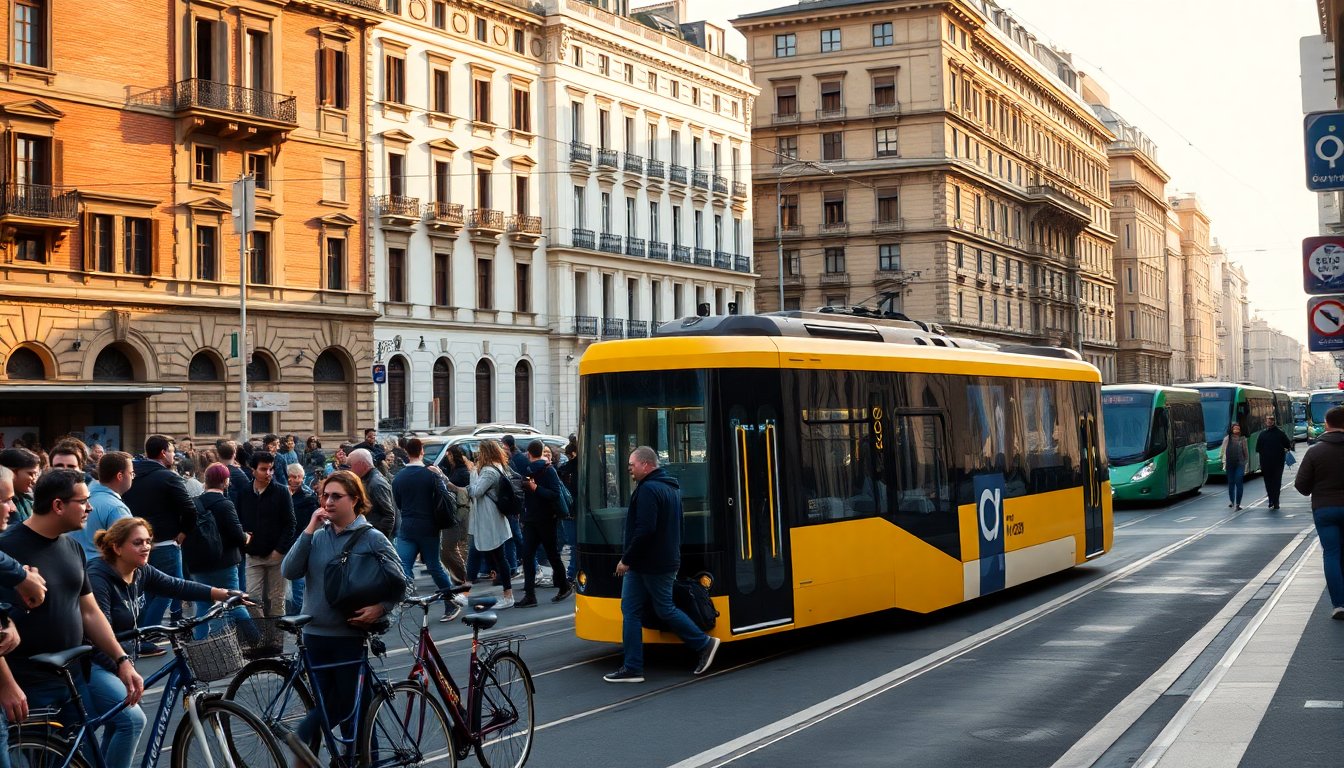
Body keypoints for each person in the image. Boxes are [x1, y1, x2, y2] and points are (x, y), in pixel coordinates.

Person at [0, 469, 145, 734]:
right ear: (58, 505)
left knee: (83, 757)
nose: (90, 508)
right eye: (83, 501)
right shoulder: (7, 550)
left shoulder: (73, 547)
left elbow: (89, 612)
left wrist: (121, 659)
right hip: (28, 683)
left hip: (73, 677)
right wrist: (6, 685)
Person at [88, 517, 235, 768]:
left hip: (123, 664)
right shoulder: (98, 576)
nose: (146, 547)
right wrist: (122, 668)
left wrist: (221, 594)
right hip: (95, 664)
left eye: (148, 541)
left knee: (118, 727)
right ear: (117, 547)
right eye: (138, 543)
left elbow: (175, 585)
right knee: (132, 721)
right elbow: (96, 633)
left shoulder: (140, 570)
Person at [281, 470, 409, 757]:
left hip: (348, 638)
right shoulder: (316, 536)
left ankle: (358, 758)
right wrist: (309, 528)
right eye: (324, 496)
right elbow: (288, 571)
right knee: (327, 708)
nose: (328, 502)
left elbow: (402, 583)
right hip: (314, 638)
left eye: (336, 496)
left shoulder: (372, 538)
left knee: (352, 714)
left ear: (355, 500)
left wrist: (381, 608)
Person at [604, 446, 719, 683]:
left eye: (632, 465)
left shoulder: (648, 490)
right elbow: (678, 527)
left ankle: (704, 643)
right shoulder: (671, 487)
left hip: (650, 563)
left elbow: (645, 529)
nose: (629, 470)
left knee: (660, 608)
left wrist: (627, 559)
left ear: (646, 465)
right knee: (633, 609)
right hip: (660, 560)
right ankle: (633, 667)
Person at [120, 435, 196, 626]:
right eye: (171, 451)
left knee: (148, 592)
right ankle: (147, 633)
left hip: (136, 542)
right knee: (170, 590)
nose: (173, 455)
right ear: (163, 453)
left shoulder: (131, 475)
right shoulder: (168, 476)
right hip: (165, 543)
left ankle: (143, 632)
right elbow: (189, 509)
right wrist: (183, 532)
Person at [391, 439, 463, 621]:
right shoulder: (430, 474)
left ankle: (404, 601)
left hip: (407, 527)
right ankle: (449, 603)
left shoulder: (398, 478)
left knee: (404, 566)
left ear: (407, 453)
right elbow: (445, 498)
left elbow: (398, 504)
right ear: (422, 451)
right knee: (434, 565)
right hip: (429, 526)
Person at [186, 464, 253, 638]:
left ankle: (201, 644)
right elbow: (238, 536)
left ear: (206, 480)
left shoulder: (194, 503)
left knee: (203, 605)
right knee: (235, 602)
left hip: (198, 564)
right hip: (224, 563)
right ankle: (257, 640)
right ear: (225, 481)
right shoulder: (225, 504)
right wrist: (247, 537)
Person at [1295, 405, 1344, 619]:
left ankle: (1339, 604)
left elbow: (1301, 486)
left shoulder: (1315, 450)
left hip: (1325, 508)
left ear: (1327, 424)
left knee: (1332, 554)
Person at [236, 451, 294, 618]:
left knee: (276, 600)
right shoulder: (244, 492)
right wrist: (245, 544)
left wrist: (280, 549)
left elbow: (290, 523)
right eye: (263, 469)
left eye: (271, 469)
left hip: (277, 556)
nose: (268, 473)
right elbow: (238, 521)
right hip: (253, 555)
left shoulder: (281, 492)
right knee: (252, 599)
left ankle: (276, 641)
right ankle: (262, 638)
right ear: (253, 470)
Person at [516, 441, 572, 608]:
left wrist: (535, 488)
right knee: (528, 555)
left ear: (529, 453)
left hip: (546, 519)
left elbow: (554, 494)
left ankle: (563, 586)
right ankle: (530, 594)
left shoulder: (548, 470)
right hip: (532, 519)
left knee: (551, 554)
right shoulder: (529, 470)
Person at [464, 440, 516, 610]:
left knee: (499, 557)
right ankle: (466, 592)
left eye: (480, 451)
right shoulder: (498, 466)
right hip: (491, 519)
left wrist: (472, 473)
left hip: (489, 520)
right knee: (493, 556)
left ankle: (507, 595)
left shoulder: (488, 471)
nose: (478, 455)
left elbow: (476, 491)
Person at [72, 452, 135, 561]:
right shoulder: (117, 508)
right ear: (120, 476)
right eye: (131, 473)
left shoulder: (77, 498)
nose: (133, 477)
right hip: (99, 571)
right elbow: (129, 550)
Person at [439, 445, 472, 596]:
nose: (447, 458)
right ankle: (460, 578)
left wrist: (445, 481)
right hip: (457, 513)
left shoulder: (463, 472)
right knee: (452, 547)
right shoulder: (456, 469)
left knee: (455, 546)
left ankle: (463, 578)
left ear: (453, 455)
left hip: (461, 513)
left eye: (448, 455)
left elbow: (464, 491)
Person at [286, 463, 317, 614]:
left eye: (300, 477)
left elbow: (301, 523)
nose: (297, 480)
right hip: (287, 542)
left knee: (298, 581)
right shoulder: (285, 493)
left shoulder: (307, 497)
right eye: (294, 477)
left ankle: (297, 614)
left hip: (299, 542)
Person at [348, 448, 397, 538]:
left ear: (362, 464)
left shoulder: (376, 483)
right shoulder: (367, 479)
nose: (350, 470)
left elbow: (389, 515)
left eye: (351, 465)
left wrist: (379, 538)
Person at [1256, 415, 1294, 510]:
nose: (1269, 423)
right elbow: (1288, 445)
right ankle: (1273, 500)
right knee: (1273, 482)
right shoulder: (1277, 433)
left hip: (1271, 462)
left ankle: (1273, 500)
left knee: (1272, 482)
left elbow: (1258, 449)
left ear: (1273, 422)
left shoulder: (1265, 434)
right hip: (1273, 462)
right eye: (1268, 421)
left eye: (1270, 421)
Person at [555, 442, 580, 584]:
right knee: (574, 544)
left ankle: (571, 573)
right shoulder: (572, 468)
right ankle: (571, 573)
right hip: (572, 512)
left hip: (569, 512)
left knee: (573, 544)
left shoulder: (565, 469)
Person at [0, 448, 39, 525]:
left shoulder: (28, 499)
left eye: (36, 474)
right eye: (30, 474)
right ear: (10, 472)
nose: (34, 481)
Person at [1219, 424, 1249, 511]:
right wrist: (1222, 461)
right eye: (1234, 428)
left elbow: (1245, 452)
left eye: (1238, 428)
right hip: (1230, 464)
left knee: (1238, 481)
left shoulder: (1243, 439)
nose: (1236, 430)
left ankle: (1238, 504)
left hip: (1240, 464)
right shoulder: (1227, 439)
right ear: (1231, 430)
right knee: (1231, 483)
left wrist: (1245, 463)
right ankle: (1232, 501)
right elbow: (1222, 451)